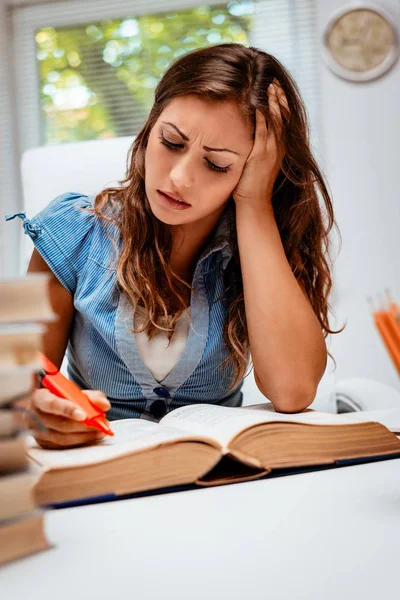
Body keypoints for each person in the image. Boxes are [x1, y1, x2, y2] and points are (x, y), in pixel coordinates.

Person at [6, 43, 340, 449]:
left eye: (217, 164)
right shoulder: (72, 231)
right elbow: (19, 391)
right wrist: (40, 414)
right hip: (99, 473)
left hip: (219, 480)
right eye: (171, 142)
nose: (179, 178)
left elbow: (293, 391)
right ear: (149, 132)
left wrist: (254, 203)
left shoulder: (259, 252)